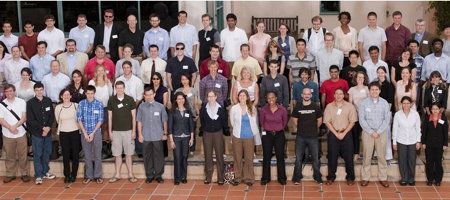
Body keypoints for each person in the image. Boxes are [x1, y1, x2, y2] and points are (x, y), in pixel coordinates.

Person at [358, 82, 391, 188]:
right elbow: (361, 119)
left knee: (381, 156)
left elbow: (387, 119)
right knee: (367, 156)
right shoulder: (363, 103)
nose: (374, 91)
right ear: (369, 91)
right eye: (372, 89)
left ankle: (383, 177)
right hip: (368, 133)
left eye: (376, 89)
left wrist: (379, 131)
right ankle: (365, 177)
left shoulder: (385, 103)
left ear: (379, 91)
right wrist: (371, 131)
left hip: (381, 133)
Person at [324, 88, 357, 185]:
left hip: (346, 133)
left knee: (349, 157)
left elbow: (352, 122)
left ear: (344, 95)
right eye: (337, 93)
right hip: (334, 134)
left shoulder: (350, 106)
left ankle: (350, 177)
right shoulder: (329, 106)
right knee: (332, 156)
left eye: (341, 94)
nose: (339, 96)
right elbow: (327, 122)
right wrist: (336, 133)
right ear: (334, 95)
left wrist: (343, 133)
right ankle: (331, 177)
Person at [107, 81, 137, 183]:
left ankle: (130, 174)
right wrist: (110, 131)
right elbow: (110, 117)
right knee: (117, 154)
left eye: (121, 88)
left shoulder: (130, 99)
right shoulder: (111, 100)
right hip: (116, 131)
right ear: (115, 88)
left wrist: (134, 131)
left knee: (129, 154)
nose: (119, 90)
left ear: (124, 88)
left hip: (128, 131)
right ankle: (117, 174)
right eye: (117, 88)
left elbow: (134, 117)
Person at [291, 88, 323, 184]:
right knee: (298, 158)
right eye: (305, 94)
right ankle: (297, 177)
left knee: (315, 158)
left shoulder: (315, 106)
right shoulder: (298, 106)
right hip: (301, 136)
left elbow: (320, 120)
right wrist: (302, 128)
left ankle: (317, 177)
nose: (306, 95)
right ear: (302, 95)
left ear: (311, 95)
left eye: (308, 94)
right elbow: (294, 119)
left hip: (313, 137)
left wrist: (312, 128)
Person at [0, 84, 30, 183]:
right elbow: (1, 120)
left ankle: (24, 173)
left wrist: (15, 126)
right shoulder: (1, 104)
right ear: (5, 93)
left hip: (21, 133)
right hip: (7, 134)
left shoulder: (21, 102)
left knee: (23, 155)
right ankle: (10, 174)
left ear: (14, 91)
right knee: (9, 155)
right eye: (7, 91)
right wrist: (10, 128)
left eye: (11, 91)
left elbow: (24, 117)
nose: (9, 93)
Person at [26, 82, 56, 185]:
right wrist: (42, 128)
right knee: (38, 154)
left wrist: (47, 128)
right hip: (37, 133)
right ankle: (38, 175)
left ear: (43, 90)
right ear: (34, 91)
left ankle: (45, 171)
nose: (39, 92)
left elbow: (51, 116)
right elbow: (30, 120)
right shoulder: (30, 103)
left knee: (46, 152)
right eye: (37, 90)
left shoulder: (48, 101)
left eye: (41, 90)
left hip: (47, 133)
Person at [137, 87, 168, 183]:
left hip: (157, 136)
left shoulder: (160, 107)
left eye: (151, 94)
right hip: (146, 136)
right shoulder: (141, 107)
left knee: (159, 156)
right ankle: (149, 175)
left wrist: (165, 133)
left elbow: (164, 121)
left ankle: (158, 175)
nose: (149, 97)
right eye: (147, 95)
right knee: (147, 156)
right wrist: (140, 135)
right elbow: (139, 122)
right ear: (144, 96)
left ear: (154, 94)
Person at [229, 90, 259, 186]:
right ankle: (237, 178)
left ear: (247, 97)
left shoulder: (252, 108)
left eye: (244, 95)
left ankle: (249, 178)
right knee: (237, 158)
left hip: (249, 136)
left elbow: (255, 122)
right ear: (238, 97)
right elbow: (232, 122)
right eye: (240, 95)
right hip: (237, 136)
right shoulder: (234, 108)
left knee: (249, 158)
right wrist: (238, 130)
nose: (242, 97)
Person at [259, 91, 288, 185]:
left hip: (279, 134)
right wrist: (269, 129)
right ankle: (265, 178)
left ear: (276, 98)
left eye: (272, 97)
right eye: (268, 98)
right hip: (267, 135)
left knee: (280, 156)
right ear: (266, 99)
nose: (271, 100)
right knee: (266, 156)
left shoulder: (282, 109)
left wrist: (278, 129)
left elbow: (284, 122)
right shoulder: (263, 110)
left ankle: (282, 178)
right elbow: (261, 122)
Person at [77, 85, 104, 184]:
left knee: (97, 155)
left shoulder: (99, 104)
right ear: (85, 94)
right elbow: (79, 119)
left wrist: (92, 133)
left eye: (91, 93)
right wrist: (85, 133)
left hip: (96, 132)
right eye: (88, 93)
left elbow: (100, 120)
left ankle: (97, 175)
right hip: (84, 133)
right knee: (87, 155)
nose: (90, 95)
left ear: (94, 93)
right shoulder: (81, 104)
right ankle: (88, 175)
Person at [392, 96, 421, 186]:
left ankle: (411, 179)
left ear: (411, 104)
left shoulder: (415, 114)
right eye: (404, 103)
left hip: (412, 141)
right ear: (401, 104)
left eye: (408, 103)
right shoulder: (397, 114)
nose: (406, 105)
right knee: (402, 160)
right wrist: (394, 142)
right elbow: (395, 129)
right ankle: (404, 178)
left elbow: (418, 128)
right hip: (401, 140)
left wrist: (418, 141)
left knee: (412, 160)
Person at [200, 90, 227, 185]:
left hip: (218, 133)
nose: (211, 98)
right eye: (209, 96)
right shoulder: (203, 109)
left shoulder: (221, 109)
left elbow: (224, 121)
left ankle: (221, 177)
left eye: (212, 96)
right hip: (207, 133)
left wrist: (224, 131)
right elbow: (202, 121)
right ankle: (208, 176)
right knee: (208, 155)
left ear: (216, 97)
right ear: (207, 98)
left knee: (220, 155)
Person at [168, 92, 194, 185]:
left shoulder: (188, 111)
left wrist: (192, 138)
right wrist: (171, 140)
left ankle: (184, 177)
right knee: (177, 157)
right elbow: (170, 127)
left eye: (182, 98)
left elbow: (191, 125)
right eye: (178, 99)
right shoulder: (172, 111)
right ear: (176, 100)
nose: (180, 100)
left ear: (184, 99)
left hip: (186, 137)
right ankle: (177, 178)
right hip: (176, 138)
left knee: (184, 157)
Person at [55, 89, 80, 183]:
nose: (66, 96)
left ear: (70, 96)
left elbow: (79, 119)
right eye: (64, 95)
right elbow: (58, 120)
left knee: (75, 154)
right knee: (65, 154)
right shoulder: (58, 107)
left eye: (68, 94)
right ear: (61, 96)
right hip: (63, 133)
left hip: (75, 132)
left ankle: (73, 174)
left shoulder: (75, 106)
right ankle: (67, 175)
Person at [422, 103, 448, 186]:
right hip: (429, 144)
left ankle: (438, 180)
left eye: (437, 109)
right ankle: (430, 179)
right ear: (431, 110)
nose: (435, 110)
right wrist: (423, 142)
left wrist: (445, 144)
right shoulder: (427, 118)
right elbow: (424, 131)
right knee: (429, 162)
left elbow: (445, 132)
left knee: (438, 162)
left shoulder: (443, 118)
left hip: (439, 144)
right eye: (433, 109)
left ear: (439, 109)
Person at [88, 65, 113, 146]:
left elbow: (110, 94)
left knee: (105, 127)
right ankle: (96, 145)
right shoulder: (92, 82)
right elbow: (90, 95)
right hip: (95, 108)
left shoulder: (108, 81)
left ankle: (105, 147)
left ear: (104, 71)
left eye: (102, 70)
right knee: (96, 127)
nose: (100, 72)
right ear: (96, 72)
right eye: (98, 70)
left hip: (105, 107)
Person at [175, 74, 199, 154]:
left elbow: (195, 103)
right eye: (183, 79)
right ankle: (182, 148)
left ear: (189, 80)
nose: (184, 81)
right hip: (181, 115)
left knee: (192, 130)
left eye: (186, 79)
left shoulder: (193, 90)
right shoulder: (178, 91)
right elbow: (175, 104)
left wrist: (197, 113)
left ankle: (191, 149)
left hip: (191, 114)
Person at [348, 71, 369, 158]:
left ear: (364, 79)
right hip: (355, 115)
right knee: (355, 135)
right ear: (355, 78)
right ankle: (356, 153)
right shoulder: (352, 89)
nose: (360, 79)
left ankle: (367, 154)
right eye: (358, 77)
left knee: (366, 136)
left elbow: (369, 102)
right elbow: (350, 103)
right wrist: (354, 113)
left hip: (365, 116)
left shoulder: (367, 88)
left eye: (362, 77)